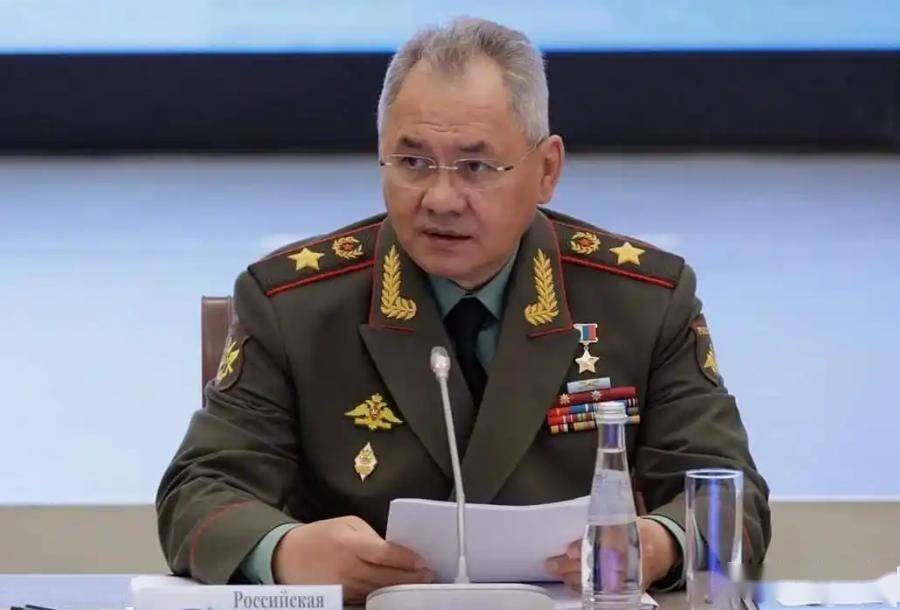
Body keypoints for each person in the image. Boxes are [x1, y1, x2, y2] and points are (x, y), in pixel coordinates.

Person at [156, 17, 770, 604]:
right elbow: (200, 492)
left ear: (547, 169)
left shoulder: (642, 300)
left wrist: (656, 544)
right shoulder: (293, 305)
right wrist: (285, 552)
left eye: (476, 167)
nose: (441, 198)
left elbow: (730, 497)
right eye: (412, 162)